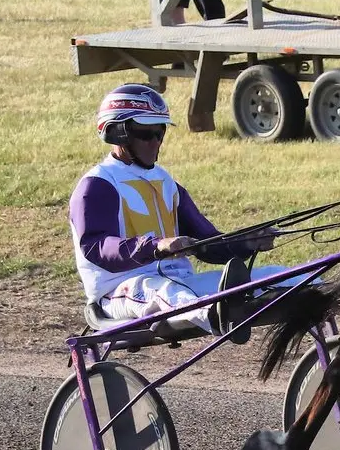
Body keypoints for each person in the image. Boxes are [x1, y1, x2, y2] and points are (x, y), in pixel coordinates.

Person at [68, 83, 304, 338]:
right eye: (146, 134)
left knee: (274, 275)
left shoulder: (167, 183)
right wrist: (156, 246)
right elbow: (97, 247)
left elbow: (209, 243)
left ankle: (325, 293)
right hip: (118, 292)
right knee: (163, 291)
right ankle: (218, 316)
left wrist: (246, 243)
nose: (156, 142)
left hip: (180, 282)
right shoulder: (97, 185)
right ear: (118, 134)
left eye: (160, 133)